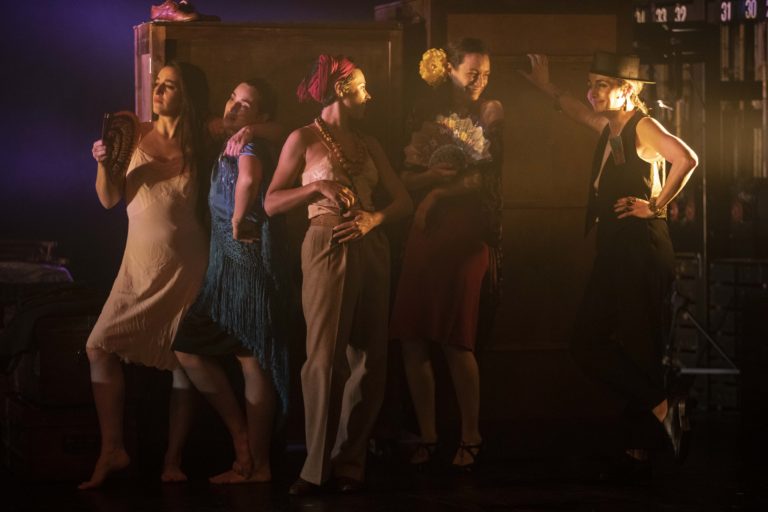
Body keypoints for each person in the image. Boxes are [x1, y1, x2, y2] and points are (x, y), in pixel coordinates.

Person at [521, 52, 698, 462]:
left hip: (641, 248)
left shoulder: (643, 126)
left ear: (627, 90)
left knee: (640, 346)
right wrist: (547, 87)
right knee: (589, 342)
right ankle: (660, 409)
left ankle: (642, 447)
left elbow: (686, 158)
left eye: (602, 85)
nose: (593, 92)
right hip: (617, 249)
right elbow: (580, 112)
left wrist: (656, 205)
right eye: (591, 84)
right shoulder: (611, 127)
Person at [264, 54, 412, 495]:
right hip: (328, 242)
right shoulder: (303, 138)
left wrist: (374, 219)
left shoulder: (369, 143)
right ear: (342, 90)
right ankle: (315, 468)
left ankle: (350, 460)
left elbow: (403, 201)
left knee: (370, 359)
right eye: (363, 87)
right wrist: (315, 186)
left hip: (371, 243)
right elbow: (270, 202)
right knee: (325, 359)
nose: (369, 96)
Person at [82, 61, 212, 489]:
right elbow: (108, 200)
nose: (158, 91)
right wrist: (103, 163)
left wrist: (249, 131)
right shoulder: (132, 134)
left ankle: (173, 459)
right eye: (158, 84)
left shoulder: (201, 138)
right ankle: (113, 448)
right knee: (99, 345)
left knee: (182, 361)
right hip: (139, 266)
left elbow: (266, 127)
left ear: (186, 94)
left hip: (187, 265)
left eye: (169, 86)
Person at [389, 38, 504, 471]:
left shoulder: (491, 112)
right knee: (412, 334)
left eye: (485, 74)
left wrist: (436, 194)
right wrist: (430, 180)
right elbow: (403, 177)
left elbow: (483, 180)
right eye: (472, 73)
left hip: (466, 231)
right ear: (449, 71)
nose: (479, 82)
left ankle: (471, 435)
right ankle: (427, 433)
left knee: (457, 337)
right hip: (424, 231)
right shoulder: (423, 112)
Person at [172, 78, 289, 484]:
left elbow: (250, 178)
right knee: (209, 351)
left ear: (262, 115)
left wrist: (239, 219)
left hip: (244, 259)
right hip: (226, 263)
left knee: (251, 357)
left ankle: (257, 463)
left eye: (246, 105)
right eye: (232, 99)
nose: (234, 107)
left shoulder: (249, 143)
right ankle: (248, 449)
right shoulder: (230, 136)